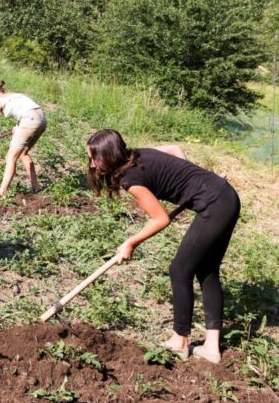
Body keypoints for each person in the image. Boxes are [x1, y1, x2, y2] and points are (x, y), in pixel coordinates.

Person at [86, 129, 240, 363]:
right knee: (207, 270)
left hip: (214, 205)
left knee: (179, 270)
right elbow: (174, 149)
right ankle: (211, 348)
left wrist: (131, 242)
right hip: (226, 196)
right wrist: (190, 179)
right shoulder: (138, 154)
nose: (92, 165)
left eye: (95, 158)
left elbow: (160, 218)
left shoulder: (131, 180)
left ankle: (180, 341)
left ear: (109, 155)